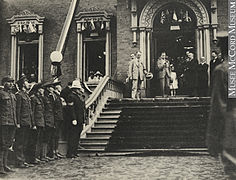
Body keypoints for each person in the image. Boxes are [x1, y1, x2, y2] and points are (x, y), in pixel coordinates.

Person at [14, 75, 34, 168]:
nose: (28, 83)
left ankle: (23, 160)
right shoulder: (19, 95)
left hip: (27, 122)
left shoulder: (26, 95)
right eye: (26, 82)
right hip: (22, 122)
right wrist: (17, 122)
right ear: (22, 84)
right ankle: (19, 161)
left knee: (25, 142)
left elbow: (29, 111)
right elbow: (17, 110)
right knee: (20, 143)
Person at [0, 76, 17, 174]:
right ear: (4, 83)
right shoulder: (1, 94)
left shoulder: (12, 95)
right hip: (3, 123)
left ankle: (5, 165)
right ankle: (0, 167)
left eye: (12, 82)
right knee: (2, 145)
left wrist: (15, 122)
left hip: (11, 123)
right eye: (9, 82)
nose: (11, 84)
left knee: (7, 144)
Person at [66, 79, 85, 158]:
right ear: (75, 89)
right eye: (78, 89)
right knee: (73, 136)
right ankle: (70, 152)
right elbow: (71, 109)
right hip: (74, 120)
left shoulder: (79, 97)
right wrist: (74, 118)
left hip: (79, 119)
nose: (79, 90)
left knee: (77, 136)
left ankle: (74, 151)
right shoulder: (71, 96)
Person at [29, 82, 47, 163]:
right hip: (36, 122)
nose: (43, 90)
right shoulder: (33, 98)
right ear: (37, 90)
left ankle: (38, 156)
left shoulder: (39, 98)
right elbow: (32, 112)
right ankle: (34, 157)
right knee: (35, 141)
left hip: (41, 122)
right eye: (41, 89)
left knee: (39, 140)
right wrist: (33, 124)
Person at [53, 82, 64, 158]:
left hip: (59, 118)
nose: (61, 88)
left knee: (57, 136)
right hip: (56, 118)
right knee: (54, 136)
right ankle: (53, 151)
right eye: (59, 87)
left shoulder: (59, 96)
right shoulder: (54, 96)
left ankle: (56, 151)